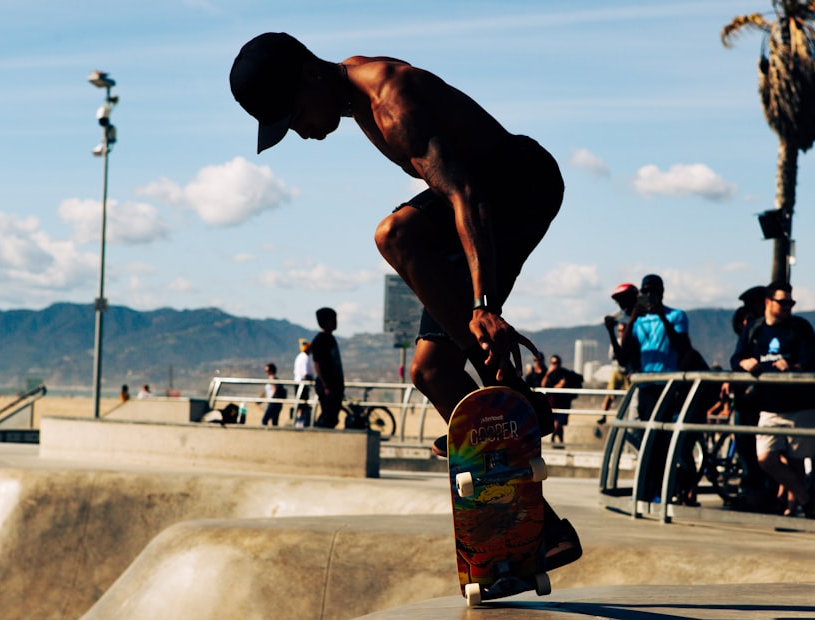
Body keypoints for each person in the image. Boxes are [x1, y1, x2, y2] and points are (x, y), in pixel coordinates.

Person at [230, 33, 579, 570]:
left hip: (518, 189)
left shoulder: (393, 102)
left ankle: (509, 396)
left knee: (396, 235)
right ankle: (543, 526)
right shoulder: (348, 92)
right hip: (481, 196)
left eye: (294, 117)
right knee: (431, 372)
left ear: (308, 75)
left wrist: (483, 303)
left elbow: (467, 196)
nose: (299, 133)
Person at [730, 281, 815, 518]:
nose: (788, 307)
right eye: (782, 302)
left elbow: (813, 362)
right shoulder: (754, 330)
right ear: (768, 303)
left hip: (799, 406)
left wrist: (793, 367)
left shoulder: (800, 328)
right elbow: (736, 358)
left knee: (796, 461)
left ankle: (793, 507)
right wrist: (744, 363)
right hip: (769, 406)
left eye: (790, 303)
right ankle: (806, 498)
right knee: (766, 457)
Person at [619, 274, 698, 503]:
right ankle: (647, 490)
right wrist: (632, 320)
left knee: (664, 443)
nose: (650, 295)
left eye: (654, 291)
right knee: (647, 443)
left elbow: (682, 346)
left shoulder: (677, 316)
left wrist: (662, 316)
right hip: (646, 387)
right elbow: (624, 356)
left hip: (668, 386)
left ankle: (664, 491)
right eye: (646, 291)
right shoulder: (638, 321)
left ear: (662, 293)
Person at [599, 283, 638, 423]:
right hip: (634, 375)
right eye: (618, 301)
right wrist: (611, 332)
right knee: (633, 424)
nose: (621, 305)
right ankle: (604, 415)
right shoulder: (629, 321)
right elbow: (621, 358)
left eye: (623, 299)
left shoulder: (641, 320)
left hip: (645, 376)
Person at [311, 307, 344, 428]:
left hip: (335, 384)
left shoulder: (331, 339)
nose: (336, 322)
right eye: (333, 319)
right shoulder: (319, 341)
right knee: (327, 416)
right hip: (327, 385)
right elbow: (317, 364)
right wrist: (326, 385)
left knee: (333, 416)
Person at [542, 355, 573, 445]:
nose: (554, 365)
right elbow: (543, 384)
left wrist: (551, 388)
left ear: (559, 363)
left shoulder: (564, 373)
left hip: (563, 403)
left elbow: (561, 385)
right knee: (559, 425)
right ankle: (560, 442)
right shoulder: (550, 374)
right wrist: (547, 373)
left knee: (558, 424)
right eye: (552, 363)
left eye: (555, 363)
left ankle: (552, 438)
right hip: (553, 403)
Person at [293, 338, 314, 428]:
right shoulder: (305, 358)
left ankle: (299, 421)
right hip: (302, 384)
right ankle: (301, 423)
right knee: (303, 404)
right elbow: (305, 373)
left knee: (300, 404)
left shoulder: (299, 357)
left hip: (298, 383)